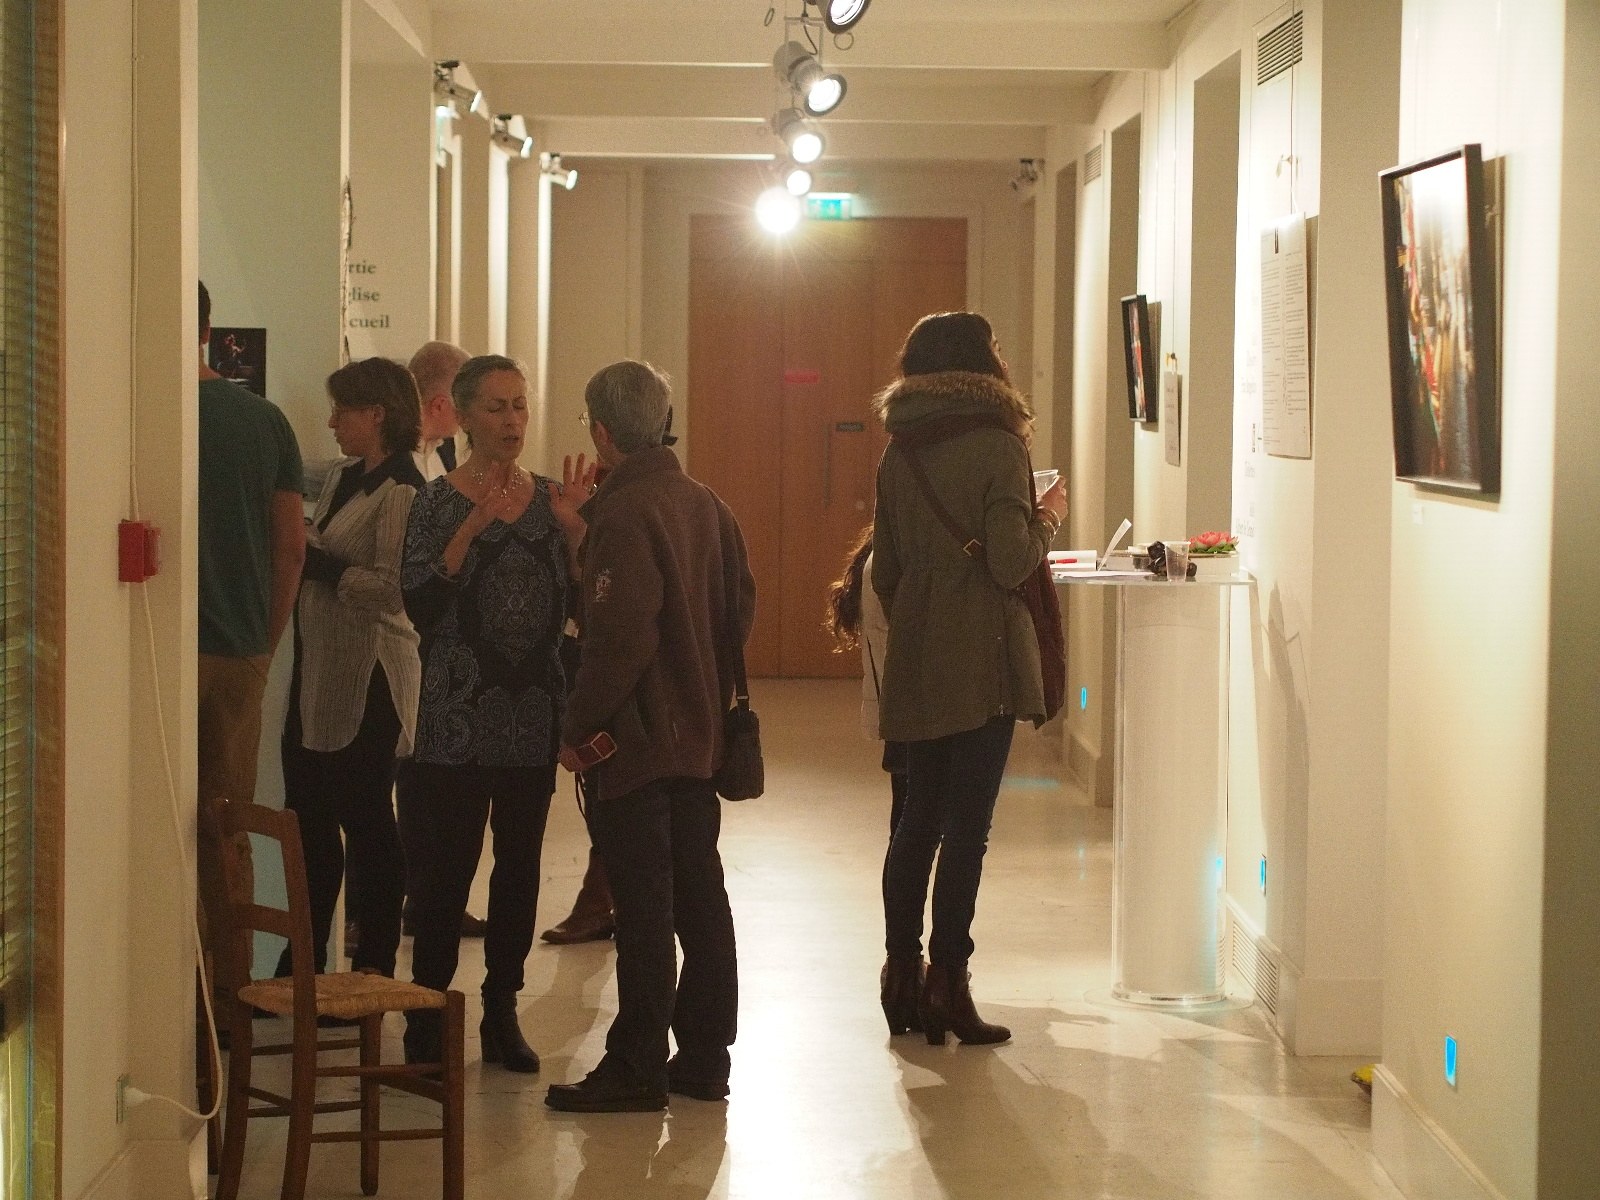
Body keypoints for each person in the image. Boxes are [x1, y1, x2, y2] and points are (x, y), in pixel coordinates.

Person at [545, 360, 754, 1114]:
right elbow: (740, 608)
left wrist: (577, 723)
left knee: (644, 908)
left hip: (636, 746)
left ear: (602, 432)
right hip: (700, 736)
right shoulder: (706, 504)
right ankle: (703, 1057)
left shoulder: (626, 513)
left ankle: (636, 1064)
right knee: (700, 897)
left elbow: (619, 640)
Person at [870, 311, 1067, 1046]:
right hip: (984, 655)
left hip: (918, 651)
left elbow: (885, 570)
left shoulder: (899, 450)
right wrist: (1048, 518)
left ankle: (899, 974)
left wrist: (926, 605)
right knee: (968, 830)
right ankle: (948, 984)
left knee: (916, 818)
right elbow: (1011, 562)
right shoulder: (1000, 444)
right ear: (985, 364)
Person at [399, 354, 593, 1073]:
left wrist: (576, 534)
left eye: (519, 406)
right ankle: (427, 1017)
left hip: (531, 714)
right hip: (455, 715)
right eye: (496, 407)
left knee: (519, 870)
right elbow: (419, 604)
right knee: (446, 872)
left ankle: (502, 1012)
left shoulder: (551, 499)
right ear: (463, 415)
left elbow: (585, 607)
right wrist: (470, 529)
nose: (512, 421)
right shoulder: (435, 502)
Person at [276, 358, 425, 981]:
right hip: (318, 671)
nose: (333, 421)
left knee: (366, 822)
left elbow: (391, 590)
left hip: (372, 678)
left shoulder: (404, 491)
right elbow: (285, 474)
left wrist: (318, 564)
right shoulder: (342, 475)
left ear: (378, 415)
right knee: (307, 819)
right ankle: (303, 959)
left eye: (343, 410)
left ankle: (373, 966)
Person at [195, 280, 305, 996]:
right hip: (238, 651)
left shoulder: (137, 408)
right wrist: (264, 645)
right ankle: (224, 1003)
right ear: (210, 330)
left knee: (143, 822)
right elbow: (290, 546)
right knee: (225, 829)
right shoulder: (263, 421)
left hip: (157, 655)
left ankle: (155, 1011)